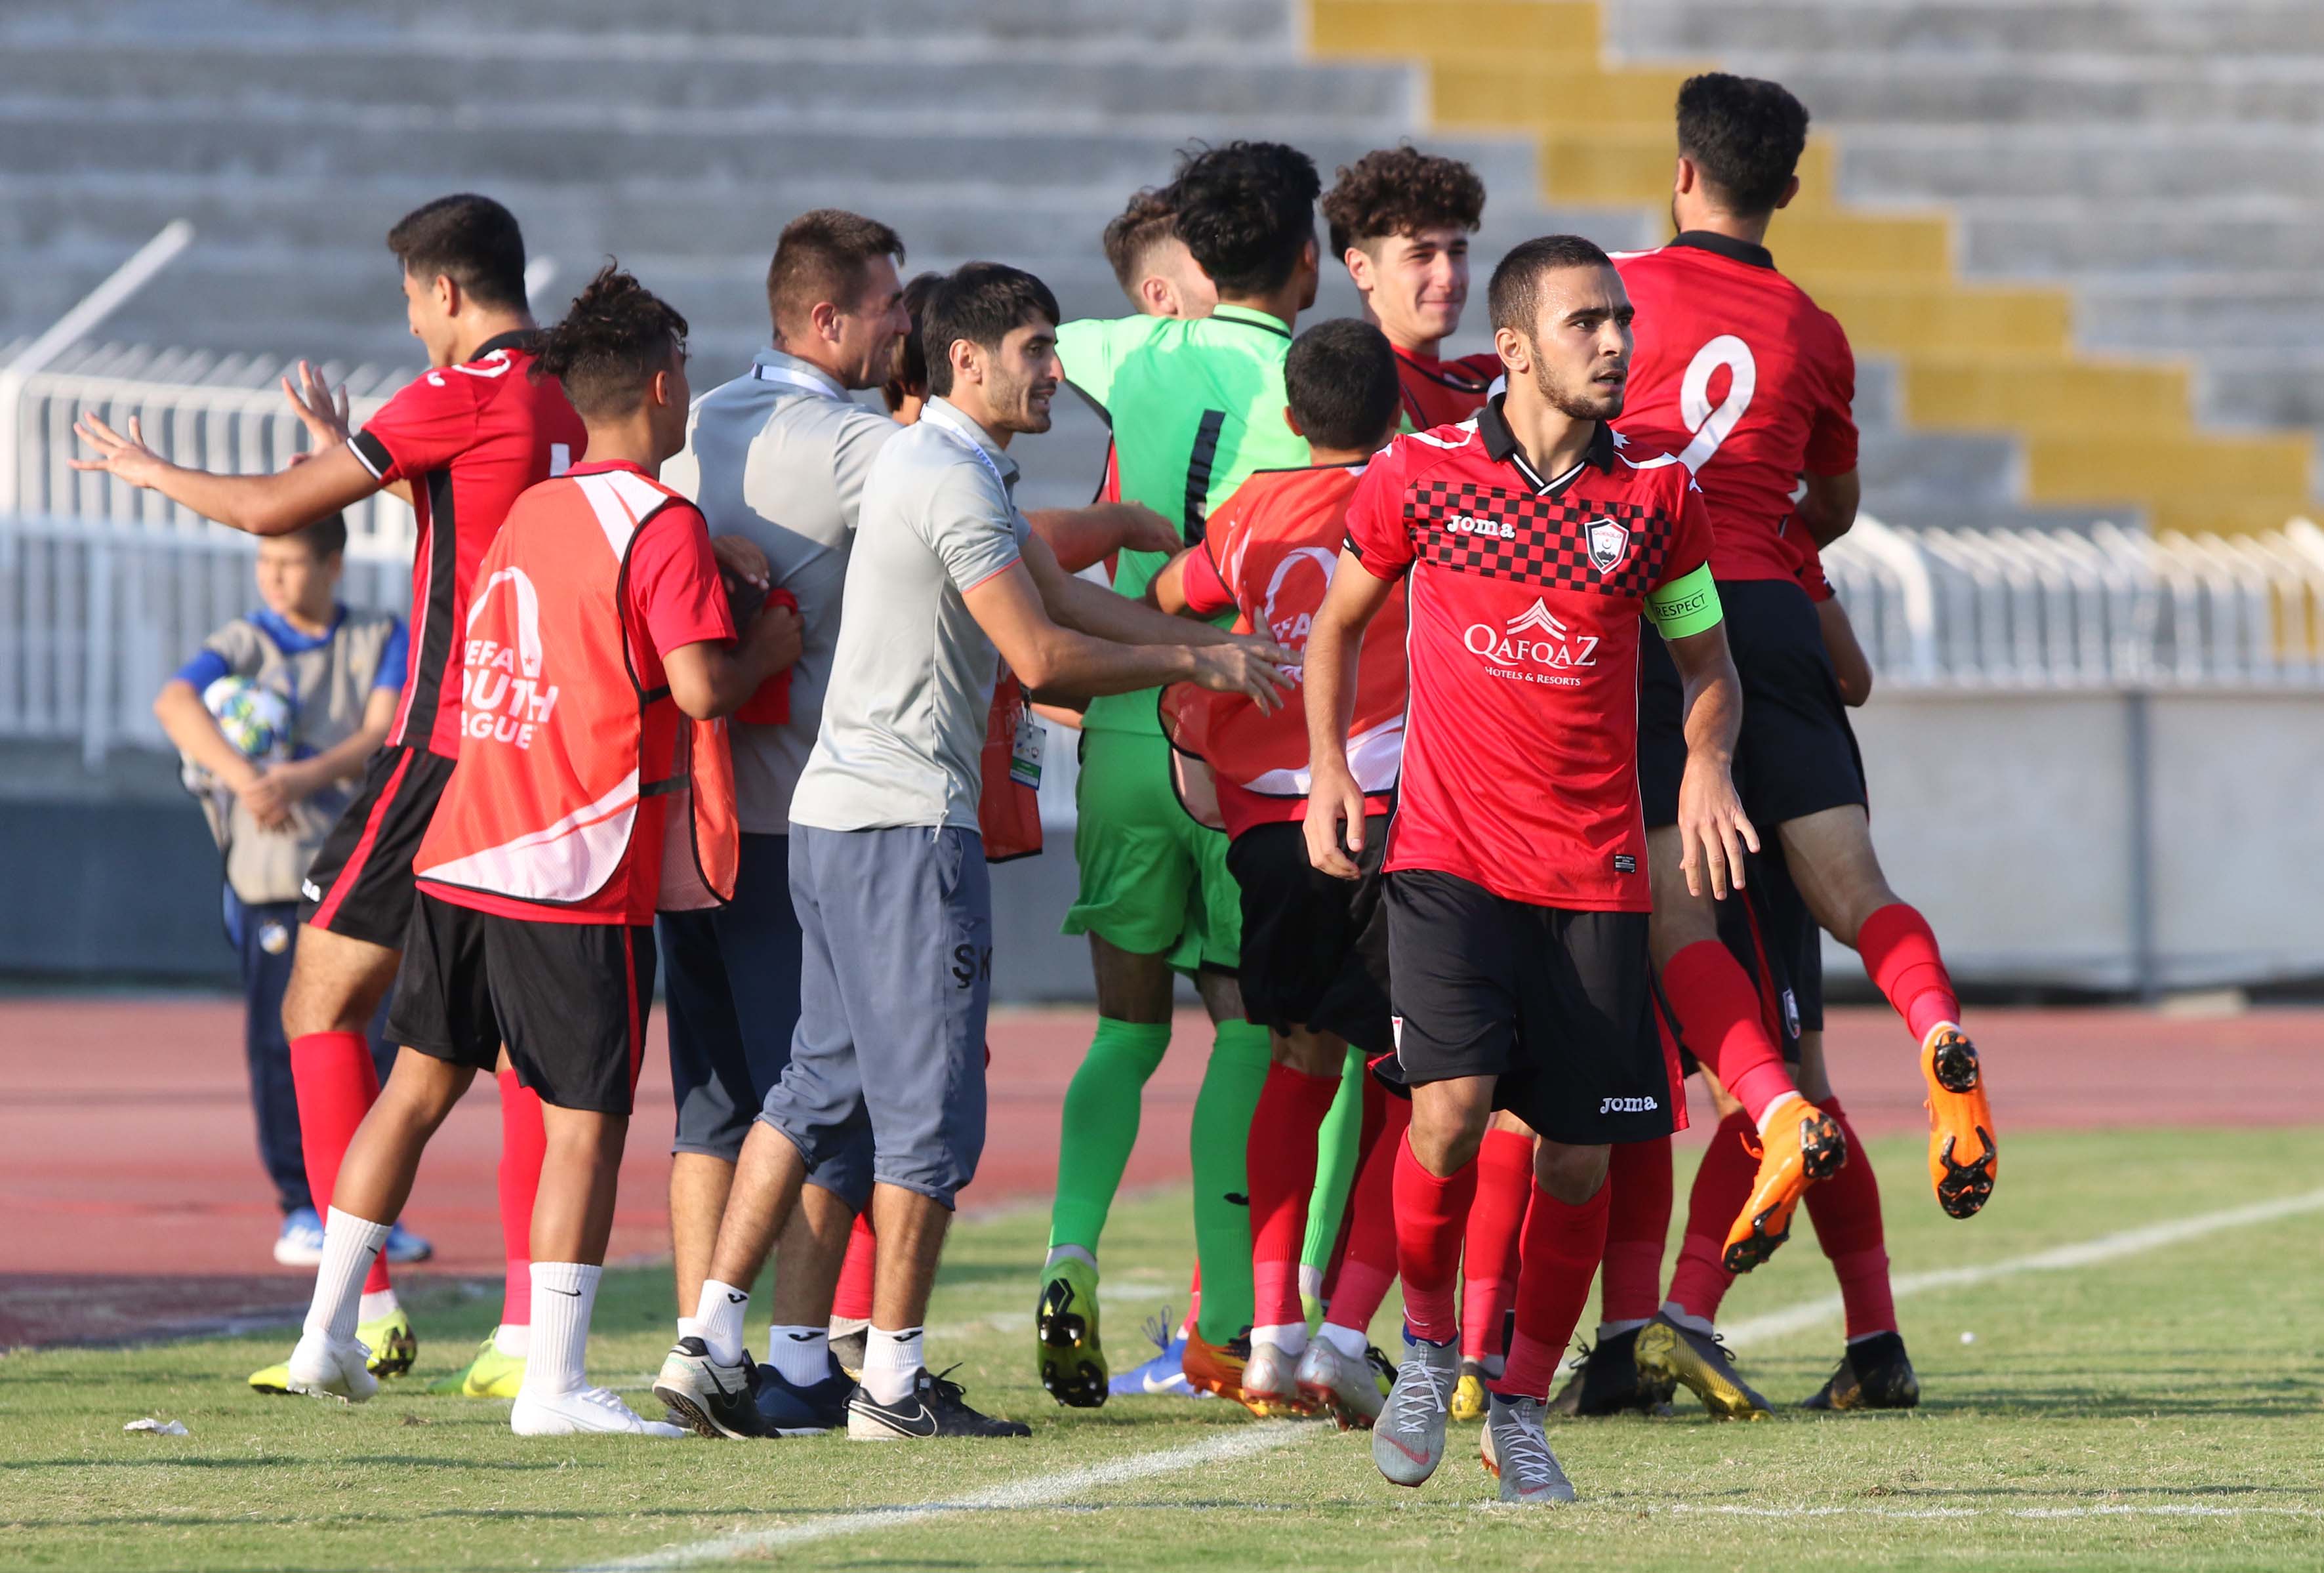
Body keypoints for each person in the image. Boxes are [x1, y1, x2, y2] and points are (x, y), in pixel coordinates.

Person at [653, 261, 1290, 1442]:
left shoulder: (939, 462)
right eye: (1037, 350)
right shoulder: (945, 472)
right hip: (902, 826)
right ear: (968, 361)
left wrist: (1217, 641)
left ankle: (713, 1342)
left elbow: (1064, 594)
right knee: (930, 1115)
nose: (1054, 370)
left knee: (811, 1088)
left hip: (835, 817)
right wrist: (1193, 664)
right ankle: (889, 1384)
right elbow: (1041, 656)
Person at [73, 194, 580, 1398]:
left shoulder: (458, 391)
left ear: (448, 292)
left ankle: (364, 1311)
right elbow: (488, 521)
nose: (411, 325)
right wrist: (381, 460)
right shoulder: (561, 393)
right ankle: (516, 1332)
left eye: (412, 300)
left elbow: (269, 509)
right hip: (539, 751)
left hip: (437, 751)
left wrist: (146, 466)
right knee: (511, 1044)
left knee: (317, 998)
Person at [279, 264, 792, 1436]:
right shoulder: (659, 521)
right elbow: (701, 684)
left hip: (464, 842)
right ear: (664, 389)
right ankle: (553, 1381)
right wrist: (766, 635)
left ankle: (323, 1333)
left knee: (412, 1086)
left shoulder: (535, 509)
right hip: (570, 863)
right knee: (584, 1121)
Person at [1303, 235, 1750, 1506]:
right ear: (1512, 348)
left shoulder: (1657, 500)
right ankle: (1427, 1342)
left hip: (1596, 871)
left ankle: (1516, 1402)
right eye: (1584, 323)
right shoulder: (1419, 477)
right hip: (1446, 855)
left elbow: (1706, 667)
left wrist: (1705, 762)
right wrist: (1331, 770)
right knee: (1444, 1108)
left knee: (1573, 1158)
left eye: (1619, 320)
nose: (1615, 342)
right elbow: (1336, 623)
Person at [1599, 73, 1992, 1420]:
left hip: (1655, 617)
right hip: (1771, 609)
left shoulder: (1615, 298)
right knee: (1855, 895)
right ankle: (1936, 1023)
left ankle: (1666, 1307)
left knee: (1692, 962)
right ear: (1790, 188)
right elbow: (1835, 499)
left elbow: (1571, 451)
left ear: (1680, 174)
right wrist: (1780, 546)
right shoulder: (1811, 328)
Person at [1041, 140, 1326, 1410]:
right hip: (1237, 723)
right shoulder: (1301, 378)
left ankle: (1069, 1255)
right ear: (1308, 261)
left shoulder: (1121, 350)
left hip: (1113, 728)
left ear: (1185, 268)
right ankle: (1227, 1321)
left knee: (1120, 1026)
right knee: (1253, 1029)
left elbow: (1040, 344)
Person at [1147, 317, 1406, 1426]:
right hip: (1382, 811)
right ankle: (1344, 1331)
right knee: (1426, 1078)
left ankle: (1267, 1334)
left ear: (1292, 418)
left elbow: (1172, 593)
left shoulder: (1250, 503)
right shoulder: (1412, 494)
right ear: (1394, 412)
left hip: (1264, 826)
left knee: (1292, 1057)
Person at [153, 514, 406, 1267]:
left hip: (365, 867)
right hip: (271, 875)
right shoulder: (242, 642)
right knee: (279, 1039)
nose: (275, 577)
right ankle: (303, 1203)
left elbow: (383, 730)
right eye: (266, 561)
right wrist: (246, 781)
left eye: (292, 563)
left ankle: (367, 1211)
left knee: (378, 1041)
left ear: (334, 566)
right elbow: (176, 705)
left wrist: (301, 775)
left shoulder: (379, 633)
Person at [1320, 146, 1503, 430]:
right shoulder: (1353, 396)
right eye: (1421, 256)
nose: (1449, 278)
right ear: (1360, 268)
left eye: (1456, 252)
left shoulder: (1494, 377)